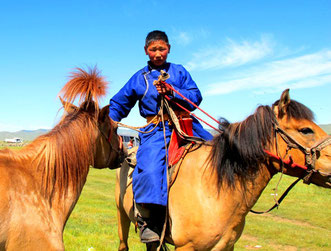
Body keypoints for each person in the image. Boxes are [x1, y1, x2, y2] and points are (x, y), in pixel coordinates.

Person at [108, 30, 213, 247]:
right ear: (146, 51)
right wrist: (110, 123)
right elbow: (119, 104)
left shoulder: (180, 72)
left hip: (185, 125)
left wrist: (172, 91)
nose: (158, 54)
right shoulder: (140, 78)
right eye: (153, 49)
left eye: (162, 49)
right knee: (150, 167)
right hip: (156, 130)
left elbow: (195, 97)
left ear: (169, 49)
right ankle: (150, 222)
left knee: (216, 153)